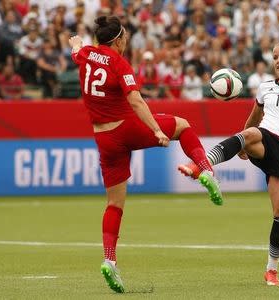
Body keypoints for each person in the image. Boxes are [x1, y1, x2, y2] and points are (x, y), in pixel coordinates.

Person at [68, 15, 223, 293]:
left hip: (104, 138)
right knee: (183, 126)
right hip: (127, 127)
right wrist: (156, 130)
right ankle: (205, 168)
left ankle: (109, 260)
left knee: (114, 204)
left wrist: (76, 43)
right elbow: (136, 100)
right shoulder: (118, 63)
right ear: (117, 40)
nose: (126, 41)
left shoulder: (87, 55)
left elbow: (77, 50)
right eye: (125, 36)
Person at [178, 19, 279, 286]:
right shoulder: (265, 88)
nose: (278, 61)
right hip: (265, 138)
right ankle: (201, 164)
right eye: (275, 57)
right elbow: (252, 121)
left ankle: (272, 270)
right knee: (249, 134)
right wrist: (243, 144)